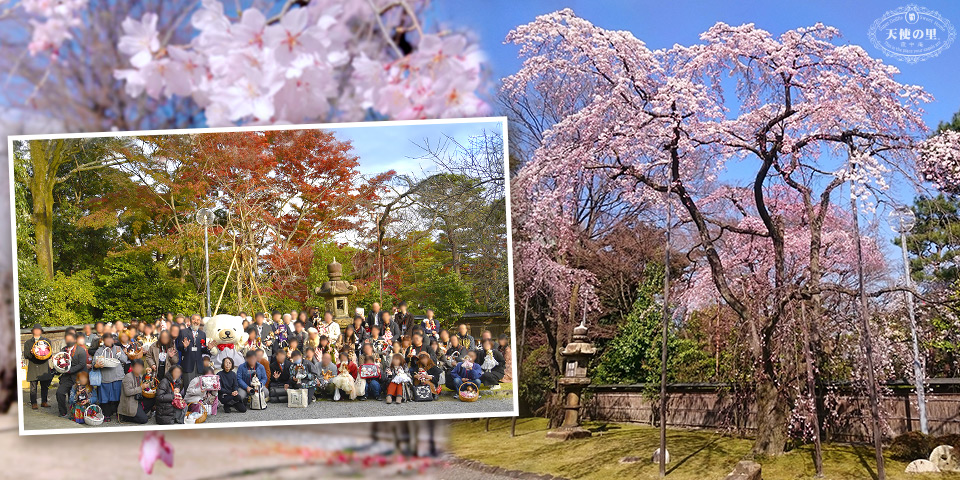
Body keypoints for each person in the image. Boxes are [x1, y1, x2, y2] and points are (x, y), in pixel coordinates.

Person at [94, 334, 128, 421]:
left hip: (118, 376)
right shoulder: (100, 351)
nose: (109, 341)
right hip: (105, 377)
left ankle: (119, 413)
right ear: (103, 340)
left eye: (111, 339)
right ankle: (107, 414)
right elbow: (94, 364)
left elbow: (125, 360)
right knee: (105, 398)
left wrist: (119, 354)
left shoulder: (118, 348)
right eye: (107, 339)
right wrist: (97, 365)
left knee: (119, 396)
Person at [56, 331, 89, 417]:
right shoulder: (63, 350)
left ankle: (79, 412)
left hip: (78, 377)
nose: (68, 340)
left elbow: (82, 364)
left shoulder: (81, 350)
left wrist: (70, 370)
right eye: (67, 339)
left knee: (79, 395)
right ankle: (63, 412)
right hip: (66, 377)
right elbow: (61, 362)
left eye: (70, 339)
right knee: (60, 392)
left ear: (75, 339)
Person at [24, 324, 53, 410]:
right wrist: (31, 353)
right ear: (32, 331)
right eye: (35, 330)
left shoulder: (46, 341)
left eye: (38, 330)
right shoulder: (28, 342)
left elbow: (49, 354)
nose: (37, 331)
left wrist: (43, 354)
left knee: (45, 386)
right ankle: (34, 403)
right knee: (33, 387)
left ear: (41, 331)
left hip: (43, 365)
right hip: (33, 365)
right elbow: (26, 355)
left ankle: (44, 401)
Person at [177, 314, 210, 387]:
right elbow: (179, 346)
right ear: (190, 321)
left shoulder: (202, 334)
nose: (196, 321)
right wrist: (184, 347)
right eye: (194, 319)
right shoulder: (184, 332)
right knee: (188, 388)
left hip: (199, 365)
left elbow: (203, 349)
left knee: (198, 388)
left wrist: (208, 348)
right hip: (188, 363)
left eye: (198, 320)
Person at [119, 360, 152, 424]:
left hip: (138, 400)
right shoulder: (128, 377)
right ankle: (126, 416)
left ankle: (140, 413)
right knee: (144, 420)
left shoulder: (139, 376)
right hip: (131, 402)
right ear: (132, 367)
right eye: (137, 367)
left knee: (152, 399)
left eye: (140, 367)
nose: (139, 369)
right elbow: (127, 392)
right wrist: (141, 387)